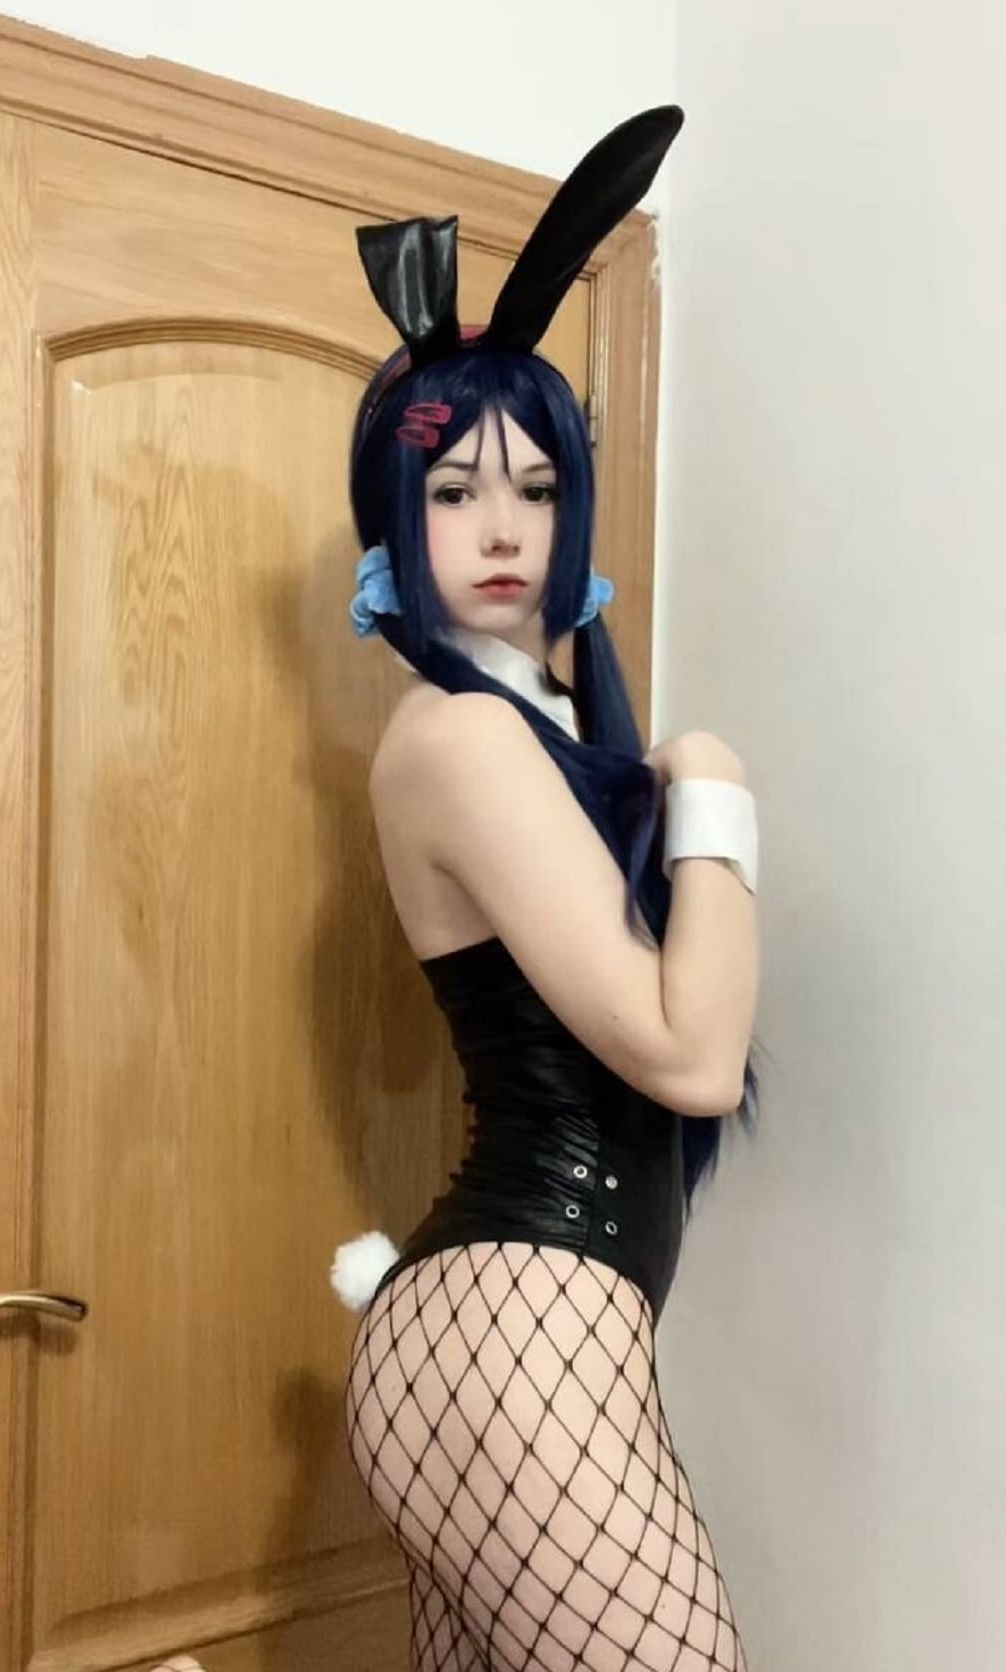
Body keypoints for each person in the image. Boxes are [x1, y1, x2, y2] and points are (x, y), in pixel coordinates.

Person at [334, 107, 761, 1672]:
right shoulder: (460, 738)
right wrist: (714, 792)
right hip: (522, 1324)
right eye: (452, 492)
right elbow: (690, 1056)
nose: (503, 526)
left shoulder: (544, 731)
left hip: (506, 1328)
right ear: (396, 521)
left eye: (535, 485)